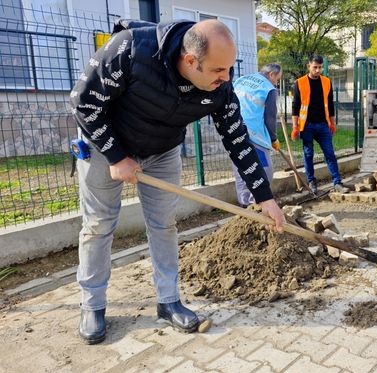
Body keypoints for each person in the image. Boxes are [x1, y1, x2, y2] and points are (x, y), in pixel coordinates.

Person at [70, 19, 285, 345]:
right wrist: (116, 157)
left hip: (161, 150)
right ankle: (93, 305)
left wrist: (265, 198)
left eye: (229, 69)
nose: (226, 79)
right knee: (98, 225)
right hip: (105, 145)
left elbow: (239, 141)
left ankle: (168, 300)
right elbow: (83, 102)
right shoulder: (131, 50)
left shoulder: (221, 89)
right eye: (218, 70)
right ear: (189, 61)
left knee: (163, 224)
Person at [291, 54, 348, 194]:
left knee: (330, 154)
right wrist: (295, 127)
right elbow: (295, 106)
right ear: (308, 66)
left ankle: (337, 182)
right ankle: (311, 182)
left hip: (323, 125)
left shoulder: (327, 82)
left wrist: (332, 123)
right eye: (315, 67)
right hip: (307, 125)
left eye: (320, 67)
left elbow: (331, 105)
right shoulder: (299, 83)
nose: (317, 70)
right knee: (308, 154)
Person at [232, 63, 282, 207]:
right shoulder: (269, 88)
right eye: (277, 79)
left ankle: (245, 204)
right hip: (254, 134)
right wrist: (273, 138)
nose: (276, 83)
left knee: (240, 167)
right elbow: (270, 118)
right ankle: (259, 203)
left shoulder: (242, 79)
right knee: (265, 169)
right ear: (271, 75)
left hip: (233, 131)